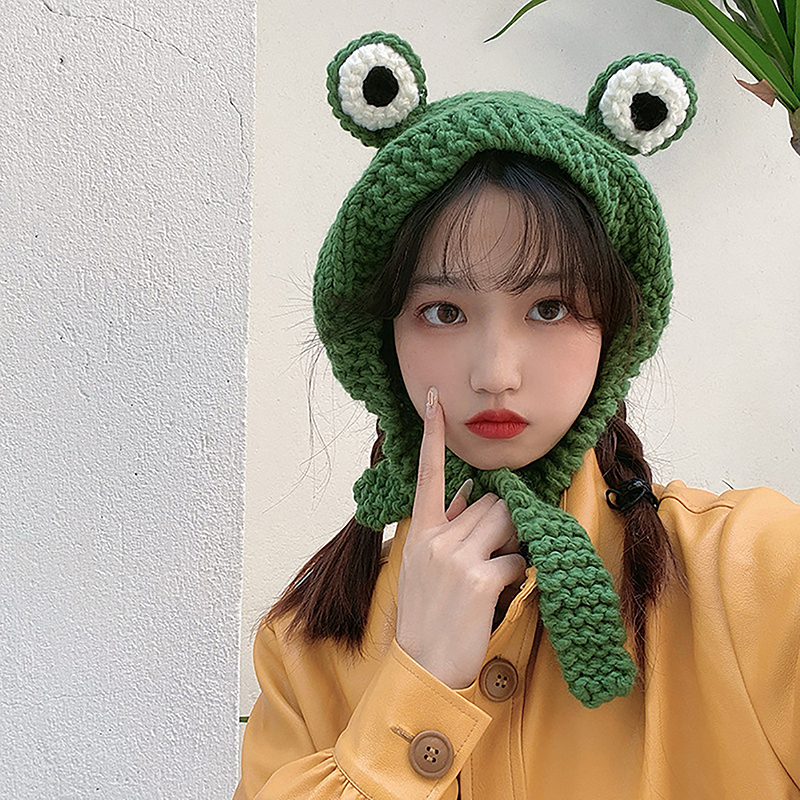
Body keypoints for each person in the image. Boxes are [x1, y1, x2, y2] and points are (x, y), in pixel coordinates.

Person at [234, 31, 800, 799]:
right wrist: (418, 684)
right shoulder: (306, 645)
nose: (495, 373)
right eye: (442, 311)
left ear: (616, 331)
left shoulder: (758, 573)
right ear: (380, 339)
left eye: (550, 307)